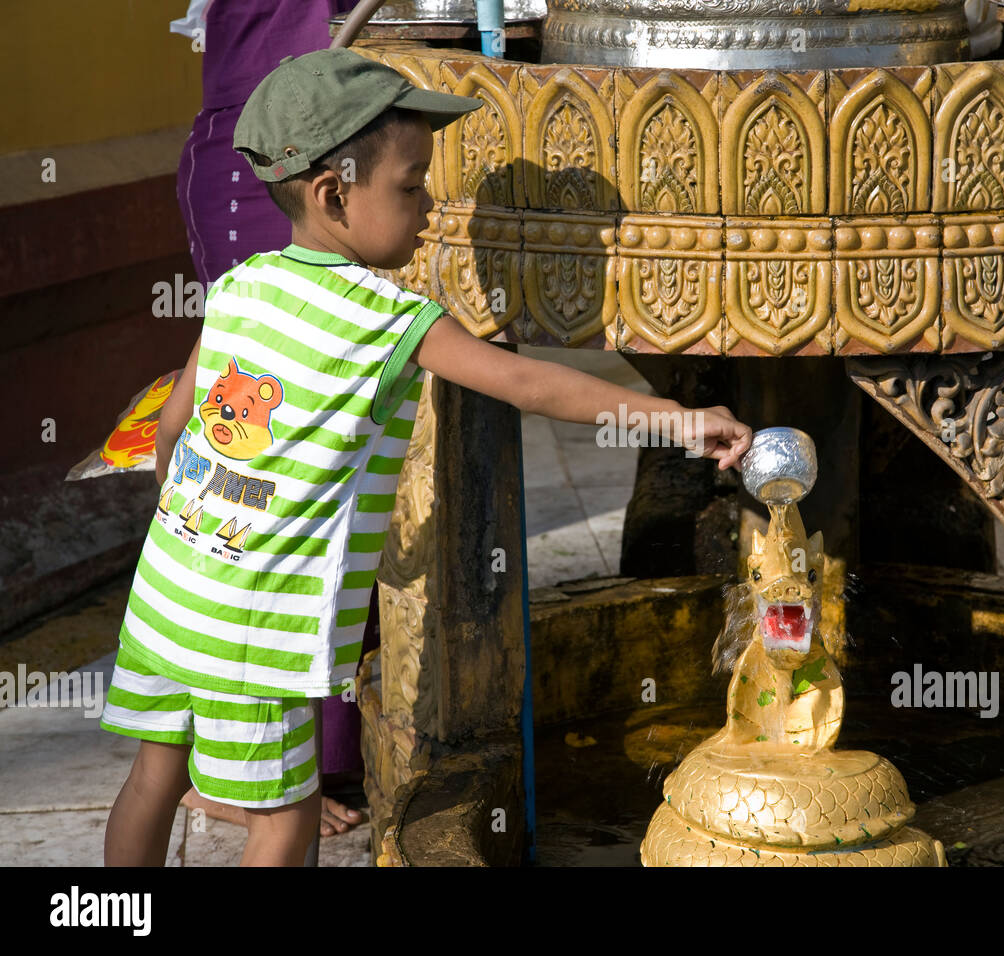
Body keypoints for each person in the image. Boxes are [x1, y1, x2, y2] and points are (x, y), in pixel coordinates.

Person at [100, 48, 753, 866]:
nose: (430, 203)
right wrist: (675, 420)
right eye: (409, 187)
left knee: (152, 777)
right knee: (283, 820)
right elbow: (527, 383)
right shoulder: (385, 318)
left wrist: (189, 517)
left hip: (170, 589)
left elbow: (174, 423)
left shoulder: (243, 285)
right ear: (335, 193)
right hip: (255, 630)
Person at [173, 0, 369, 841]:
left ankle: (314, 753)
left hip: (339, 142)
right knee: (265, 471)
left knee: (329, 465)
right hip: (268, 158)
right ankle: (222, 768)